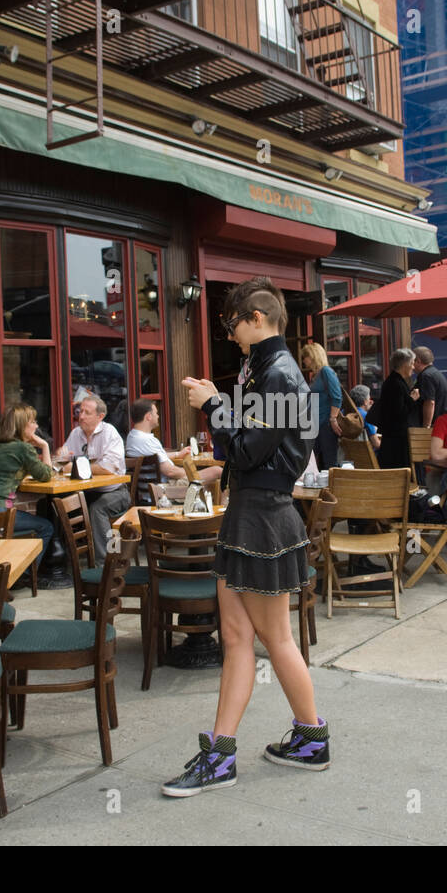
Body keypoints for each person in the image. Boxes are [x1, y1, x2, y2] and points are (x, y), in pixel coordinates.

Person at [167, 276, 327, 797]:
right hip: (256, 512)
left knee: (275, 640)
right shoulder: (273, 371)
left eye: (233, 326)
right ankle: (229, 752)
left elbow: (246, 450)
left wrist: (213, 403)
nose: (231, 336)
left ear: (256, 319)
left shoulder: (278, 374)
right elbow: (255, 450)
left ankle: (308, 739)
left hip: (262, 517)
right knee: (238, 639)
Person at [0, 402, 58, 587]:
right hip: (2, 513)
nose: (37, 426)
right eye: (33, 421)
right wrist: (45, 446)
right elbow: (46, 475)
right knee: (46, 527)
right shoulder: (22, 449)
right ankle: (22, 575)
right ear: (23, 425)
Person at [52, 395, 131, 562]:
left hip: (115, 491)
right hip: (87, 492)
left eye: (87, 413)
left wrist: (73, 467)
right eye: (80, 412)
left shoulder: (109, 433)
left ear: (100, 416)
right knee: (57, 505)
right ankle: (62, 561)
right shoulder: (76, 433)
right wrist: (60, 455)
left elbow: (108, 468)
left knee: (97, 509)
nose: (81, 416)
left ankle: (105, 563)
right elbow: (62, 460)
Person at [125, 400, 222, 491]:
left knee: (210, 483)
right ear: (149, 416)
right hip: (166, 489)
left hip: (148, 490)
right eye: (156, 413)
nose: (158, 416)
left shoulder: (132, 437)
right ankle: (224, 508)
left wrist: (177, 454)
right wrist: (191, 472)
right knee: (218, 471)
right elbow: (170, 471)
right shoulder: (147, 440)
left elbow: (154, 457)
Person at [370, 348, 419, 470]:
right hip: (396, 440)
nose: (414, 367)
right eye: (412, 363)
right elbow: (399, 413)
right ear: (405, 364)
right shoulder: (396, 383)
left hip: (393, 437)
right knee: (397, 471)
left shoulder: (394, 381)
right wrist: (412, 399)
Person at [298, 342, 342, 471]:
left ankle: (334, 490)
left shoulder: (326, 372)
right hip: (316, 425)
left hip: (326, 425)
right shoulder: (316, 375)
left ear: (312, 356)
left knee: (330, 463)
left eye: (305, 357)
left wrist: (333, 419)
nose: (304, 361)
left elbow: (337, 396)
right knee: (313, 460)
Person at [412, 346, 447, 428]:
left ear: (418, 361)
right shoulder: (436, 373)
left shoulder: (426, 376)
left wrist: (426, 426)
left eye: (412, 362)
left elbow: (429, 402)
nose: (411, 366)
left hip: (434, 426)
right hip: (441, 423)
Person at [349, 384, 380, 450]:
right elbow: (376, 444)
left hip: (348, 454)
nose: (371, 401)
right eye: (369, 398)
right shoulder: (366, 417)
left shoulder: (344, 412)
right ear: (365, 402)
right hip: (367, 457)